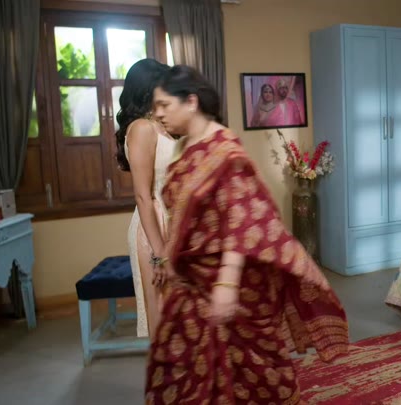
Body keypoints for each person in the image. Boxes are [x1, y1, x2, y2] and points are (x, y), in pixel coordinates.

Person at [145, 65, 349, 404]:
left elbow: (242, 221)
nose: (159, 113)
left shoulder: (226, 152)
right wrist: (168, 258)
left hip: (230, 290)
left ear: (191, 102)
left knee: (254, 375)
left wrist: (226, 285)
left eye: (164, 104)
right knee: (176, 370)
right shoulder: (184, 148)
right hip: (190, 288)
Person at [114, 58, 176, 338]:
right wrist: (160, 252)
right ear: (146, 89)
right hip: (154, 224)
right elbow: (142, 195)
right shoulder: (142, 128)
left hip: (173, 221)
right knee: (163, 317)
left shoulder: (161, 125)